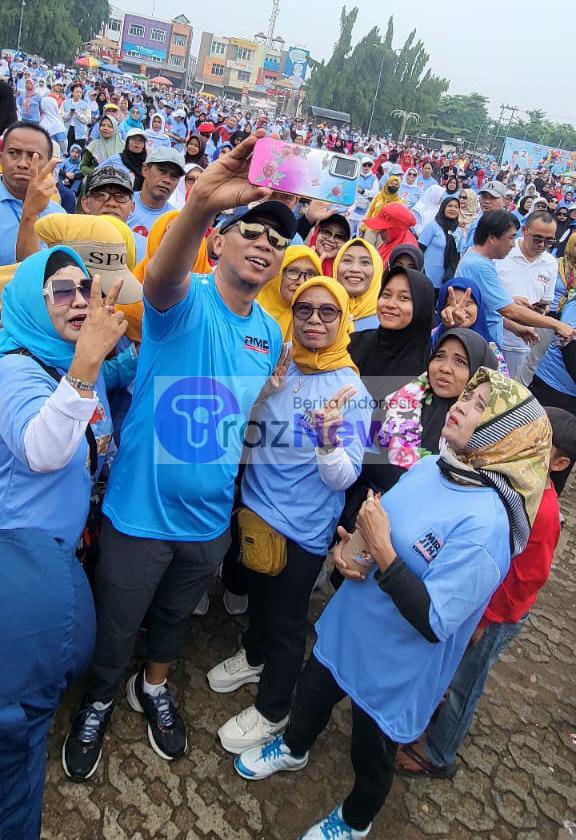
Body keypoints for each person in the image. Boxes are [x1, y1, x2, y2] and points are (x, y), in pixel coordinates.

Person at [62, 136, 298, 782]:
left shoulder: (270, 332)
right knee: (118, 621)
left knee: (172, 620)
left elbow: (240, 413)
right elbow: (160, 278)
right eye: (251, 231)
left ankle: (154, 685)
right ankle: (102, 698)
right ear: (218, 243)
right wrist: (199, 204)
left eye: (278, 243)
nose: (265, 246)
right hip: (141, 509)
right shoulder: (182, 297)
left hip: (208, 520)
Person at [234, 367, 551, 840]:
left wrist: (382, 552)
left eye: (481, 404)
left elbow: (435, 620)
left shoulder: (488, 527)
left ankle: (355, 820)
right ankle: (294, 747)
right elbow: (376, 529)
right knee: (312, 696)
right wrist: (347, 551)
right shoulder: (431, 467)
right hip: (348, 630)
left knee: (371, 753)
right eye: (468, 396)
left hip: (395, 667)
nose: (462, 405)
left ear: (506, 434)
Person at [208, 276, 372, 753]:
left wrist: (326, 441)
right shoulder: (282, 358)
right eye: (305, 310)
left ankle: (273, 709)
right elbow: (250, 429)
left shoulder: (350, 389)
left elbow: (344, 478)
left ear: (343, 319)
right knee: (258, 596)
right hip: (256, 511)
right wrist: (264, 392)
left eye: (327, 311)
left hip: (301, 529)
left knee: (286, 621)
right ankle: (253, 655)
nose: (314, 320)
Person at [0, 247, 125, 839]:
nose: (79, 300)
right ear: (31, 302)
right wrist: (86, 363)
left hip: (56, 556)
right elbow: (42, 450)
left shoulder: (64, 362)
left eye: (85, 288)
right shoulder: (14, 369)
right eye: (61, 291)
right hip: (17, 567)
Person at [395, 407, 575, 779]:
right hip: (480, 602)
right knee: (451, 668)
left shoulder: (542, 511)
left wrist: (487, 622)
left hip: (498, 614)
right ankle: (430, 713)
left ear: (559, 464)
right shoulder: (515, 483)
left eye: (540, 445)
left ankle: (438, 755)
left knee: (466, 683)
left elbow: (527, 580)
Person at [457, 210, 574, 351]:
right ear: (493, 238)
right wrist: (557, 325)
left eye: (549, 241)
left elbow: (489, 308)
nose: (513, 244)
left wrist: (516, 327)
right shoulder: (479, 266)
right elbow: (510, 311)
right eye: (511, 238)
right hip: (477, 341)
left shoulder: (481, 261)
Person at [349, 265, 435, 399]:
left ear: (421, 307)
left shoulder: (429, 371)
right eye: (386, 295)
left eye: (403, 298)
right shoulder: (353, 344)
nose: (390, 304)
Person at [496, 210, 558, 380]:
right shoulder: (503, 252)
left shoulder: (551, 263)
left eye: (549, 241)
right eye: (537, 238)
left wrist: (539, 310)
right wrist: (511, 303)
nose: (542, 245)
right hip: (494, 335)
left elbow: (547, 302)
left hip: (523, 343)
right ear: (524, 231)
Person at [0, 122, 65, 267]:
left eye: (33, 156)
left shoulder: (58, 215)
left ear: (49, 165)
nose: (22, 163)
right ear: (1, 157)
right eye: (13, 153)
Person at [433, 278, 508, 374]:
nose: (459, 310)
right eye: (451, 304)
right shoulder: (430, 338)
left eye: (468, 304)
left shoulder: (490, 349)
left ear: (479, 307)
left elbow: (500, 384)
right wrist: (451, 327)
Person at [257, 245, 322, 340]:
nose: (301, 282)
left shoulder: (322, 322)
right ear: (278, 274)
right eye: (293, 272)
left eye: (310, 275)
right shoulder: (250, 312)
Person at [126, 147, 185, 238]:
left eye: (174, 176)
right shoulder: (121, 204)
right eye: (162, 171)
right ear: (145, 170)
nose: (167, 180)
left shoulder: (175, 220)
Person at [332, 238, 383, 331]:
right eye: (347, 260)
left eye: (365, 262)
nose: (355, 269)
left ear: (377, 270)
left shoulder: (387, 321)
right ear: (335, 267)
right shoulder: (321, 313)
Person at [418, 196, 461, 289]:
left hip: (447, 279)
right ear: (443, 207)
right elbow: (419, 249)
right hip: (427, 277)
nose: (453, 209)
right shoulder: (432, 226)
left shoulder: (458, 231)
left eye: (456, 207)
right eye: (450, 206)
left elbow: (458, 255)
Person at [463, 180, 507, 251]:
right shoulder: (477, 219)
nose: (487, 201)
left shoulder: (506, 225)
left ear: (504, 200)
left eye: (493, 198)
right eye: (484, 197)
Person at [80, 116, 124, 181]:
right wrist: (96, 173)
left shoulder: (124, 146)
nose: (105, 128)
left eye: (109, 126)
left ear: (115, 129)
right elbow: (83, 166)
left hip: (120, 181)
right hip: (97, 181)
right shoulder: (93, 145)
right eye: (102, 125)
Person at [349, 156, 379, 236]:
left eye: (369, 165)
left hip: (364, 211)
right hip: (352, 209)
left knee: (360, 235)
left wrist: (363, 191)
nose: (366, 167)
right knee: (349, 233)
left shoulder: (374, 178)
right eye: (364, 164)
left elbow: (375, 194)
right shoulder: (355, 175)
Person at [61, 82, 91, 150]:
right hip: (68, 129)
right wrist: (69, 114)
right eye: (77, 92)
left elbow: (88, 120)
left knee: (79, 151)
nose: (78, 94)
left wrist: (79, 115)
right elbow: (61, 116)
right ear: (72, 92)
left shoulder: (86, 104)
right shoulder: (65, 102)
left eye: (80, 92)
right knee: (68, 150)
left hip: (81, 132)